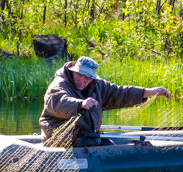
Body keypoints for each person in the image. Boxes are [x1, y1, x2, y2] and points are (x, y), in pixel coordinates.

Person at [39, 56, 171, 146]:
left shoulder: (97, 86)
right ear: (73, 71)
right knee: (93, 142)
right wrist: (80, 104)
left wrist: (150, 92)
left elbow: (120, 93)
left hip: (84, 135)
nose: (82, 81)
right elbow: (58, 102)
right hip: (58, 135)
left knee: (105, 144)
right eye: (79, 75)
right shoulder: (59, 84)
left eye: (87, 78)